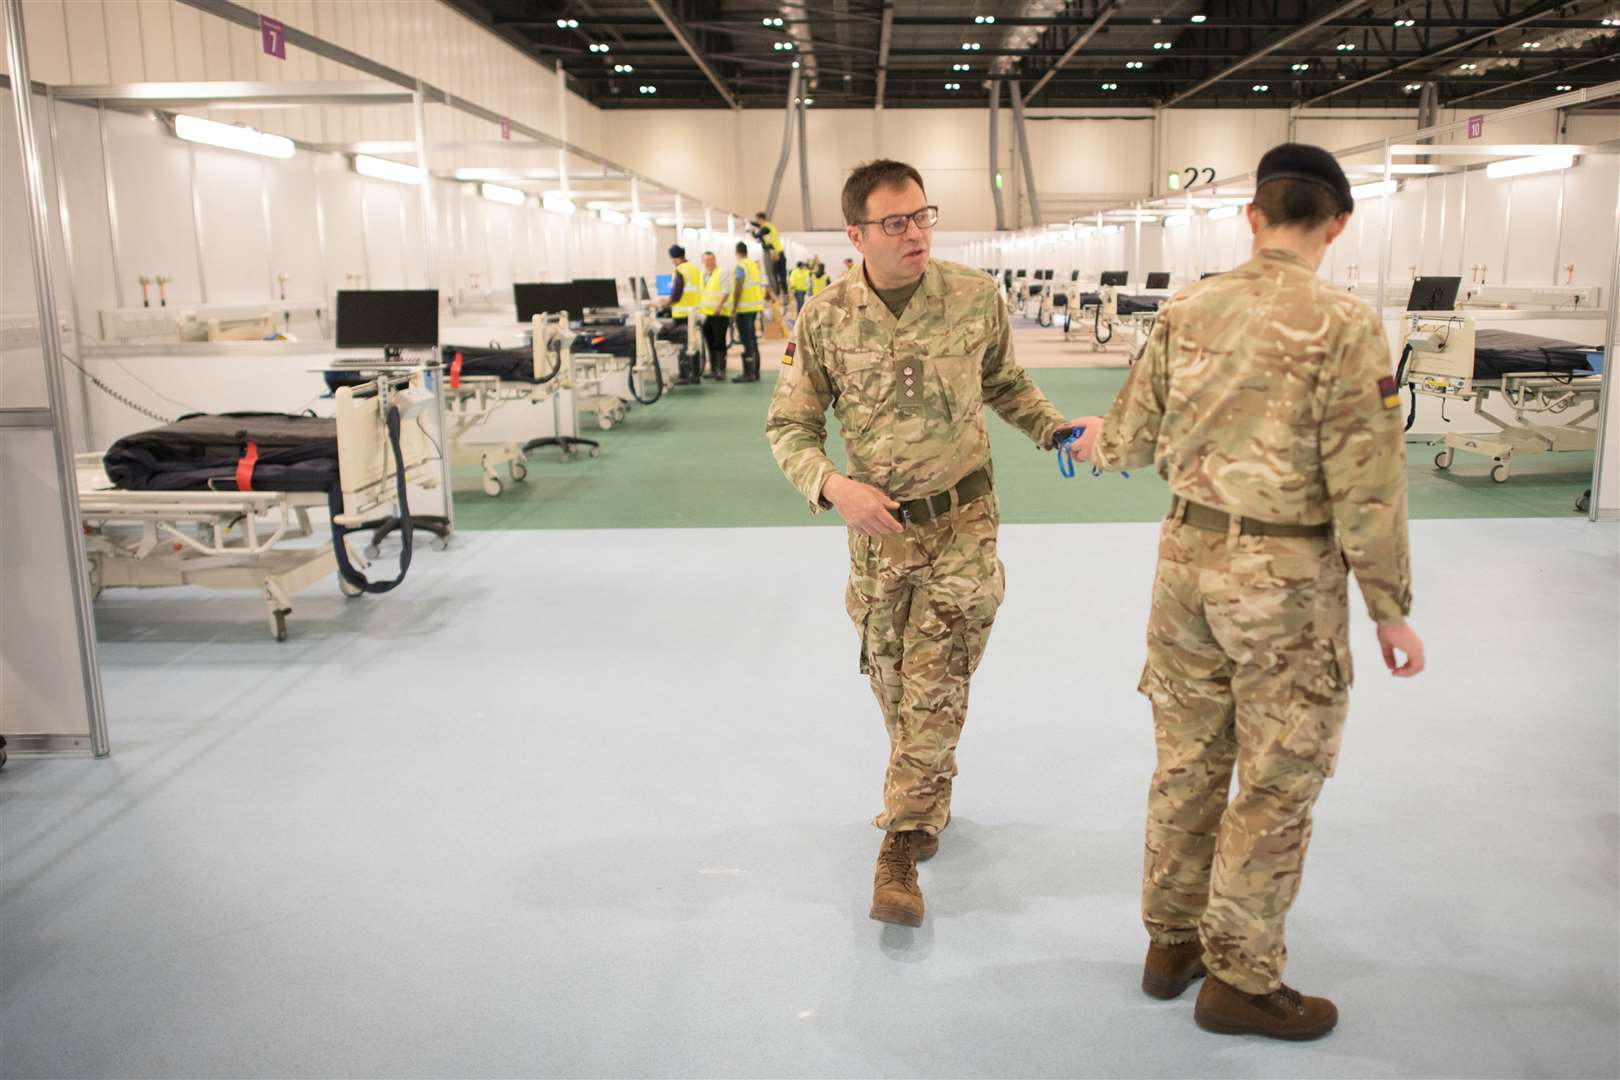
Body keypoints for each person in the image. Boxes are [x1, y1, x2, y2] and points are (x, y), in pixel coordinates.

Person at [1066, 143, 1425, 1041]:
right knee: (1275, 778)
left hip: (1184, 567)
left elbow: (1130, 442)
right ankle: (1242, 978)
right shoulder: (1345, 324)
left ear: (1252, 216)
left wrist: (1087, 439)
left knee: (1187, 764)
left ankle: (1171, 945)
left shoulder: (1186, 307)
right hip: (1285, 584)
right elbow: (1368, 480)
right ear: (1338, 222)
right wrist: (1390, 607)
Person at [765, 159, 1085, 929]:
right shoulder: (827, 317)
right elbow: (790, 426)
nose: (916, 233)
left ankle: (900, 846)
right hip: (880, 540)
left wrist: (1056, 429)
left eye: (923, 216)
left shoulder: (974, 299)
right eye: (896, 223)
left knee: (935, 682)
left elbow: (1005, 383)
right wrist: (834, 487)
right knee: (894, 684)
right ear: (856, 235)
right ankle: (927, 795)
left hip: (963, 527)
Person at [656, 245, 705, 385]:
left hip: (682, 313)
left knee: (683, 344)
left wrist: (663, 303)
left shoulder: (680, 270)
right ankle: (695, 375)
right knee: (693, 343)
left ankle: (685, 375)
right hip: (694, 312)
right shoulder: (694, 268)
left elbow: (677, 294)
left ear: (674, 258)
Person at [729, 241, 765, 383]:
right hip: (754, 306)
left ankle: (749, 373)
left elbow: (738, 286)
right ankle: (755, 372)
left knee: (746, 340)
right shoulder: (753, 265)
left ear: (737, 252)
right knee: (752, 339)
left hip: (744, 308)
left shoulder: (740, 266)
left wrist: (734, 308)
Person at [698, 250, 733, 381]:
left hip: (720, 313)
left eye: (711, 259)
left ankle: (721, 370)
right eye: (706, 260)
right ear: (703, 262)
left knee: (719, 341)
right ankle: (713, 369)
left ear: (715, 260)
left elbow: (726, 290)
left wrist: (719, 305)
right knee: (710, 342)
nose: (709, 262)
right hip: (706, 314)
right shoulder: (703, 275)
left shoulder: (722, 273)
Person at [752, 212, 789, 297]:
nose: (757, 222)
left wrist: (751, 230)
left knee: (772, 273)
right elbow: (761, 235)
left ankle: (776, 293)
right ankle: (783, 293)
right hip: (779, 252)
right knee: (780, 274)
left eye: (757, 220)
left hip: (775, 253)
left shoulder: (766, 228)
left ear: (761, 219)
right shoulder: (769, 227)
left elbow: (757, 235)